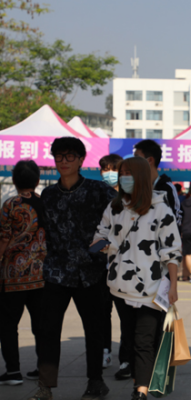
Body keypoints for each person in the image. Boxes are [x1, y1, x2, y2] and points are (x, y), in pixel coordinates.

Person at [32, 137, 116, 400]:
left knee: (94, 329)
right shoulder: (48, 194)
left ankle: (96, 381)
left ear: (81, 160)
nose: (64, 161)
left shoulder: (99, 190)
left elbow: (118, 223)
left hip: (90, 273)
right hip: (56, 272)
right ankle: (45, 386)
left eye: (70, 156)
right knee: (47, 329)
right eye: (59, 156)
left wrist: (97, 249)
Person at [93, 156, 181, 400]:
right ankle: (140, 380)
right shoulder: (114, 207)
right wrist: (102, 245)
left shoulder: (161, 209)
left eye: (129, 173)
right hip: (120, 286)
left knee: (144, 339)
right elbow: (99, 236)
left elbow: (172, 251)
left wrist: (174, 286)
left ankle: (140, 390)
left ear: (141, 176)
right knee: (130, 337)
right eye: (122, 173)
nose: (124, 177)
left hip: (151, 288)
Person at [0, 161, 46, 386]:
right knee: (41, 325)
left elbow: (3, 237)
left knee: (8, 324)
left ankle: (13, 372)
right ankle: (43, 368)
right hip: (41, 274)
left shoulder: (10, 204)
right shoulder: (45, 203)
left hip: (13, 275)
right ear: (37, 180)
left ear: (14, 180)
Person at [98, 153, 124, 372]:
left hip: (125, 267)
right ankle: (105, 350)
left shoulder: (130, 198)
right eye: (104, 169)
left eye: (112, 169)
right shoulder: (97, 196)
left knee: (126, 314)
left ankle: (126, 356)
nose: (108, 173)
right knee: (102, 312)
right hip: (101, 266)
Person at [133, 139, 182, 226]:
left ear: (150, 160)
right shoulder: (134, 187)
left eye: (137, 158)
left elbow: (176, 219)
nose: (133, 162)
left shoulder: (167, 188)